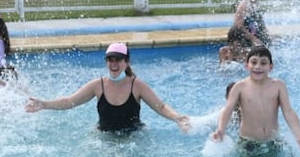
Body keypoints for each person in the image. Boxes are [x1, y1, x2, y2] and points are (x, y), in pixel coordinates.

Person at [25, 42, 191, 133]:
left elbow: (160, 106)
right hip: (104, 138)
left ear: (126, 63)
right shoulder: (98, 85)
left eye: (118, 60)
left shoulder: (137, 86)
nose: (113, 64)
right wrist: (44, 104)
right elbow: (70, 101)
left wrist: (177, 118)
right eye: (110, 60)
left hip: (134, 137)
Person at [211, 46, 300, 157]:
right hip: (248, 142)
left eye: (263, 63)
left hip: (273, 141)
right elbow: (228, 109)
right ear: (246, 65)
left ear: (271, 67)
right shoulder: (240, 87)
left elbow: (288, 111)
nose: (258, 67)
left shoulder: (279, 85)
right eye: (254, 62)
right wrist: (221, 129)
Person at [218, 0, 271, 64]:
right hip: (245, 39)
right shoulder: (244, 4)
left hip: (253, 36)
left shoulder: (254, 3)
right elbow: (238, 26)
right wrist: (254, 39)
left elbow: (259, 22)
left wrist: (266, 34)